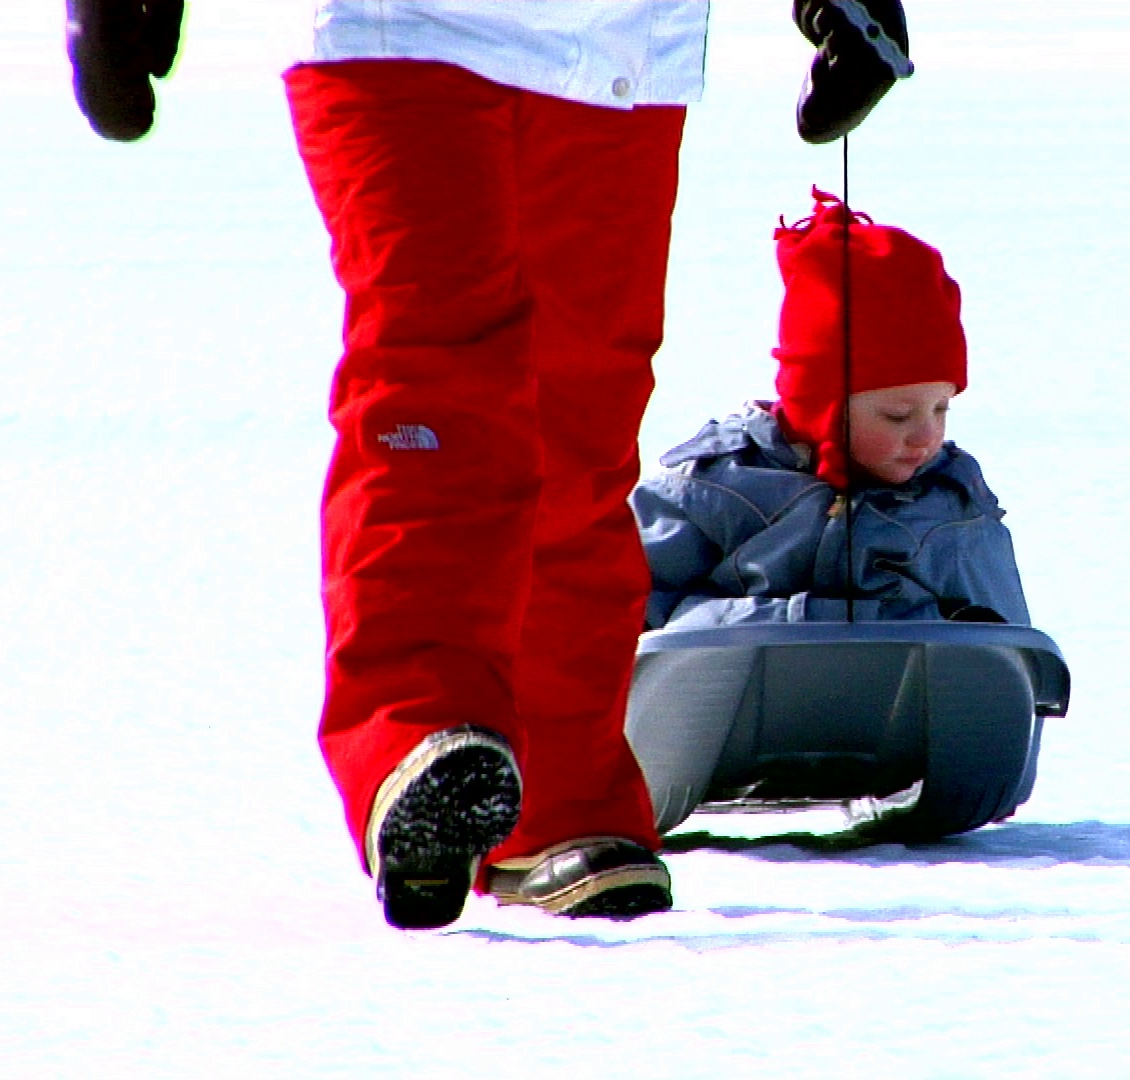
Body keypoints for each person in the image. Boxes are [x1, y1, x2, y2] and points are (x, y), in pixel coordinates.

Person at [65, 0, 918, 930]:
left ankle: (560, 807)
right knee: (434, 393)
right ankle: (417, 739)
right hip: (401, 26)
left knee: (579, 425)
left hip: (618, 41)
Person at [632, 191, 1030, 632]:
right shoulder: (714, 489)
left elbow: (1006, 646)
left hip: (916, 698)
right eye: (898, 415)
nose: (926, 436)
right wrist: (807, 622)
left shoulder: (951, 500)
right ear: (823, 408)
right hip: (736, 694)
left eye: (941, 409)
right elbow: (631, 619)